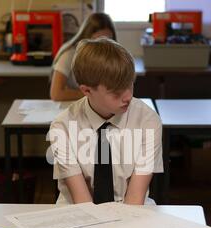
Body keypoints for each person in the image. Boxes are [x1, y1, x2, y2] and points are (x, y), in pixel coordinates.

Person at [48, 38, 163, 205]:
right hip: (78, 213)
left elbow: (135, 199)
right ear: (86, 90)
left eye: (130, 85)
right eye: (116, 93)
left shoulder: (148, 121)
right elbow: (82, 202)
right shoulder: (63, 127)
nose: (128, 97)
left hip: (132, 212)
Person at [49, 13, 117, 101]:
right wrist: (92, 95)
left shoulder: (111, 55)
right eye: (98, 42)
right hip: (73, 106)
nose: (103, 48)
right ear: (86, 38)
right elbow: (56, 94)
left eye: (108, 41)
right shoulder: (69, 55)